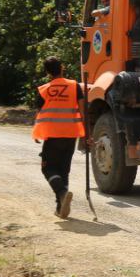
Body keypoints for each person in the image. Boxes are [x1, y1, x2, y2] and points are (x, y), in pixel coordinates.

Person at [32, 57, 88, 219]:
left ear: (48, 73)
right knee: (64, 170)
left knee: (47, 168)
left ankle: (62, 193)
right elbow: (83, 109)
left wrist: (37, 132)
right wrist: (85, 134)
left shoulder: (44, 89)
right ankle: (60, 208)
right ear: (62, 68)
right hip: (71, 133)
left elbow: (39, 113)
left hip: (52, 135)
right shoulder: (74, 86)